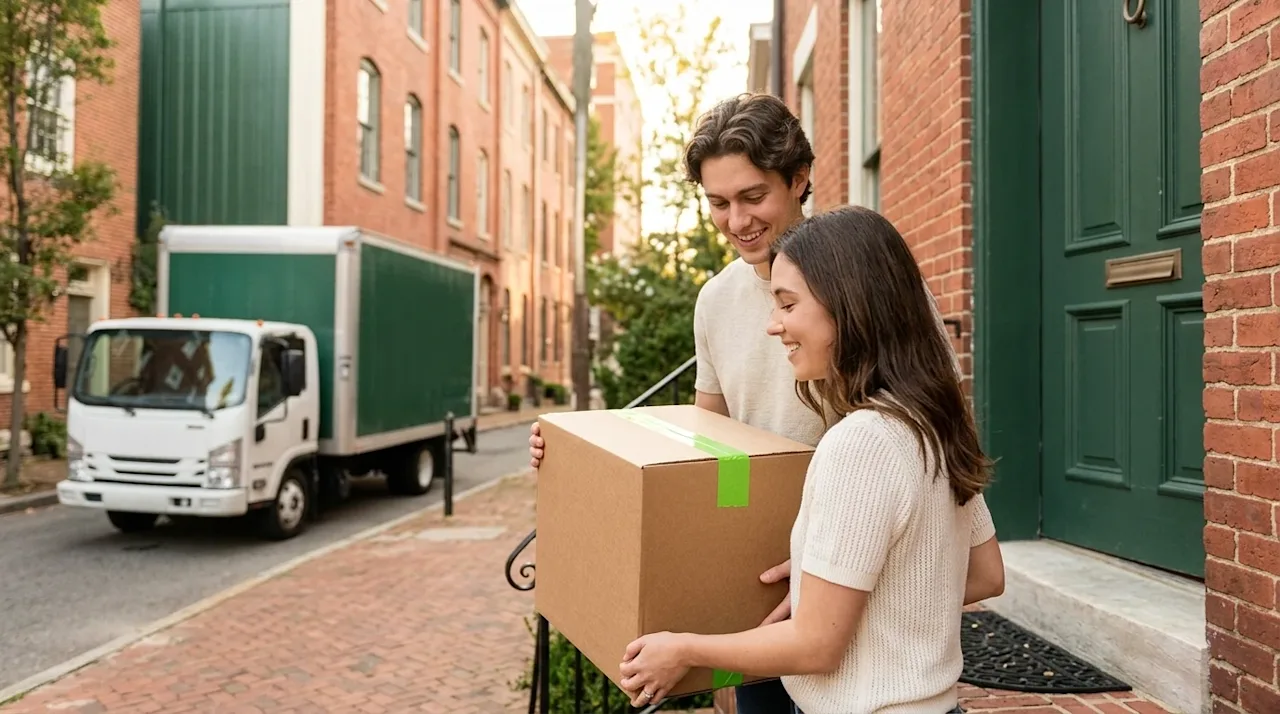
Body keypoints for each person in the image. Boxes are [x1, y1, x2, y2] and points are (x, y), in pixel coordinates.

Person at [614, 205, 1006, 714]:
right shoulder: (930, 421)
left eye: (787, 304)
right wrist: (839, 589)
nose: (773, 326)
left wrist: (684, 649)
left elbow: (816, 646)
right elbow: (985, 572)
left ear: (847, 307)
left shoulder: (858, 444)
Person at [528, 92, 824, 713]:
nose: (736, 220)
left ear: (798, 180)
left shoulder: (866, 280)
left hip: (842, 568)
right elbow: (705, 445)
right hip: (754, 579)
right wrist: (570, 457)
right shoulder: (715, 301)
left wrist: (832, 562)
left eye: (753, 197)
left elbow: (920, 426)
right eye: (718, 203)